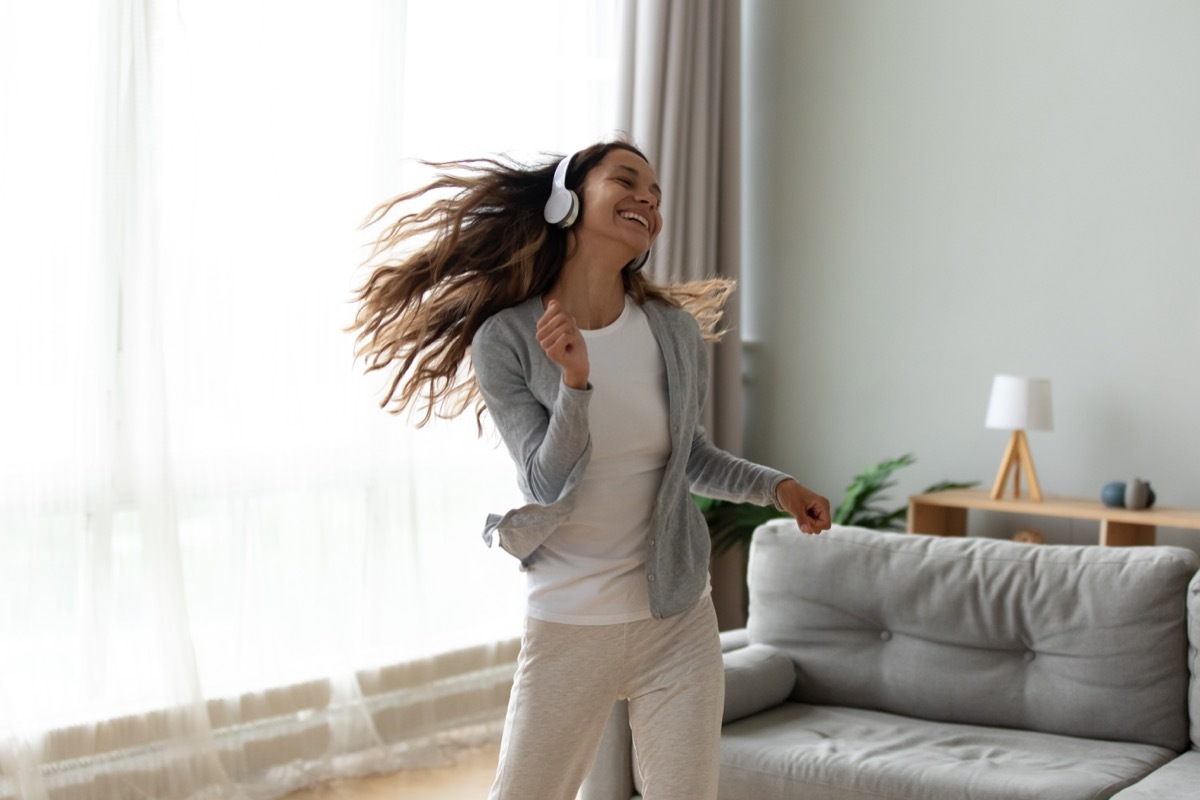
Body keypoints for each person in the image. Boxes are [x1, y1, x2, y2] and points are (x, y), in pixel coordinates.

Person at [351, 139, 831, 800]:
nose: (648, 201)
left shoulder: (671, 331)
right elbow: (544, 483)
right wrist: (576, 383)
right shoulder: (509, 338)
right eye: (627, 181)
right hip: (571, 621)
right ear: (566, 200)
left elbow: (690, 457)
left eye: (657, 196)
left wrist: (777, 487)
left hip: (677, 619)